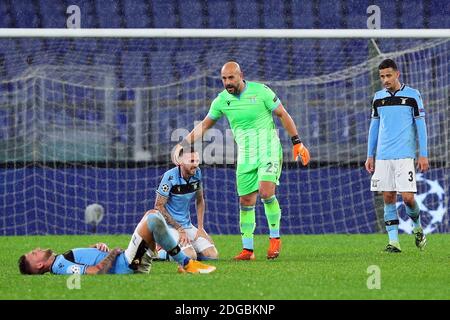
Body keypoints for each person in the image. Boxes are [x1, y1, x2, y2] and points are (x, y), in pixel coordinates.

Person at [172, 61, 310, 260]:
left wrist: (297, 142)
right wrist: (182, 144)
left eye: (231, 78)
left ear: (240, 75)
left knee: (266, 191)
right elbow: (204, 125)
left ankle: (274, 239)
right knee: (245, 201)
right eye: (224, 79)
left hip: (268, 150)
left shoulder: (261, 91)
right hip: (246, 155)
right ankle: (248, 250)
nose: (227, 82)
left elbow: (282, 113)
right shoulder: (221, 101)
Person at [18, 209, 216, 275]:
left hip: (127, 261)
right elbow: (94, 272)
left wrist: (96, 249)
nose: (36, 249)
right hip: (128, 264)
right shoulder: (60, 266)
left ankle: (173, 257)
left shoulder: (61, 259)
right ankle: (186, 263)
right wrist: (111, 254)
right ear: (39, 265)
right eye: (33, 254)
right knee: (153, 219)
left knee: (152, 215)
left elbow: (86, 264)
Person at [365, 58, 429, 253]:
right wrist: (370, 155)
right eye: (382, 76)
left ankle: (417, 228)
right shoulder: (378, 97)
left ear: (397, 74)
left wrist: (423, 154)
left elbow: (421, 125)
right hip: (383, 156)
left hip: (404, 155)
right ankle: (394, 242)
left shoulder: (412, 95)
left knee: (408, 198)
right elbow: (374, 127)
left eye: (388, 75)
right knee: (388, 197)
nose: (385, 80)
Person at [154, 150, 218, 261]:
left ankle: (177, 249)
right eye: (192, 161)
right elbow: (158, 206)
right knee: (190, 256)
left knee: (212, 255)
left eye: (197, 160)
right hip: (170, 227)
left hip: (187, 226)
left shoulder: (197, 173)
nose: (196, 164)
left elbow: (200, 200)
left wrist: (201, 228)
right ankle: (159, 252)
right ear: (180, 162)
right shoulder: (169, 177)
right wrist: (179, 229)